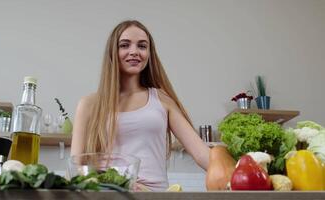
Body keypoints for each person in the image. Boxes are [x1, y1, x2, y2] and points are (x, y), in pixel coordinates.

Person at [71, 20, 235, 191]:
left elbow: (202, 155)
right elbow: (75, 167)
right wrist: (115, 186)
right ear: (113, 52)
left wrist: (242, 173)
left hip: (155, 195)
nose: (134, 52)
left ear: (149, 54)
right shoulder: (89, 104)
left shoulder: (162, 100)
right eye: (125, 45)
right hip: (107, 195)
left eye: (142, 46)